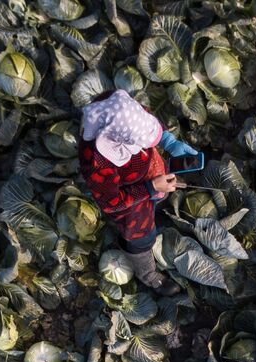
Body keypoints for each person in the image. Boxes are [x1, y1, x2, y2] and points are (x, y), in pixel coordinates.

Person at [78, 90, 200, 295]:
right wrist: (150, 188)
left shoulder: (118, 105)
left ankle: (156, 202)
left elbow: (145, 118)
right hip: (129, 199)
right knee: (141, 236)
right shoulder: (98, 163)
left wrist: (168, 141)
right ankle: (148, 275)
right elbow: (112, 202)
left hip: (146, 171)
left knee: (160, 192)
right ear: (119, 141)